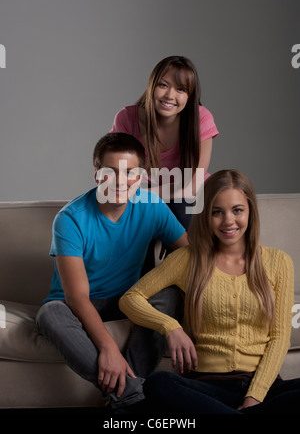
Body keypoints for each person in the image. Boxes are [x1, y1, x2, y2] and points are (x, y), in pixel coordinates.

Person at [119, 169, 300, 414]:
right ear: (206, 215)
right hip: (206, 389)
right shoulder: (188, 259)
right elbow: (130, 299)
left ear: (250, 212)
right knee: (157, 384)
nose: (228, 221)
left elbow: (280, 337)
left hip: (263, 388)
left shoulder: (279, 262)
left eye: (237, 210)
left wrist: (254, 397)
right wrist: (170, 327)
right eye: (217, 212)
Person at [36, 132, 188, 411]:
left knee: (167, 294)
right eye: (110, 172)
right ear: (96, 175)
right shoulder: (70, 218)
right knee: (49, 314)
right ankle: (133, 395)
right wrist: (108, 348)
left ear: (141, 176)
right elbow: (77, 297)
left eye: (130, 172)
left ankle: (127, 399)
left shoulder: (152, 206)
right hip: (77, 306)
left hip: (127, 299)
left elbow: (189, 254)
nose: (120, 181)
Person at [111, 55, 219, 230]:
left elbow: (193, 184)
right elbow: (117, 174)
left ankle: (184, 257)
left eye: (181, 89)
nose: (170, 95)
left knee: (181, 205)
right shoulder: (126, 118)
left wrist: (143, 195)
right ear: (152, 86)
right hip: (145, 196)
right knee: (136, 217)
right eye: (163, 85)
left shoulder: (201, 118)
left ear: (190, 96)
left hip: (187, 195)